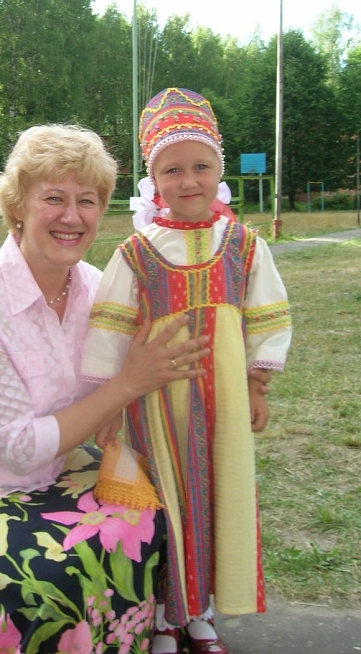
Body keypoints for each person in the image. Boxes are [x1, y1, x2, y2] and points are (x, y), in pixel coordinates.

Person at [0, 123, 211, 654]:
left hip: (56, 465)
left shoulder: (99, 289)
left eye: (87, 201)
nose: (72, 217)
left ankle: (138, 635)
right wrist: (128, 383)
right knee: (51, 579)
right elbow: (20, 448)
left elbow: (131, 385)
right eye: (53, 198)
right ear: (17, 205)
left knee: (159, 516)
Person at [81, 89, 293, 654]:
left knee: (214, 500)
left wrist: (256, 384)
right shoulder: (136, 253)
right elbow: (109, 329)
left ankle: (200, 614)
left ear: (220, 172)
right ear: (153, 181)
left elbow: (267, 319)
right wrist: (107, 407)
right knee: (163, 505)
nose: (189, 180)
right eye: (172, 170)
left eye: (201, 166)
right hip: (156, 408)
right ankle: (161, 616)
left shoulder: (245, 247)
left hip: (223, 409)